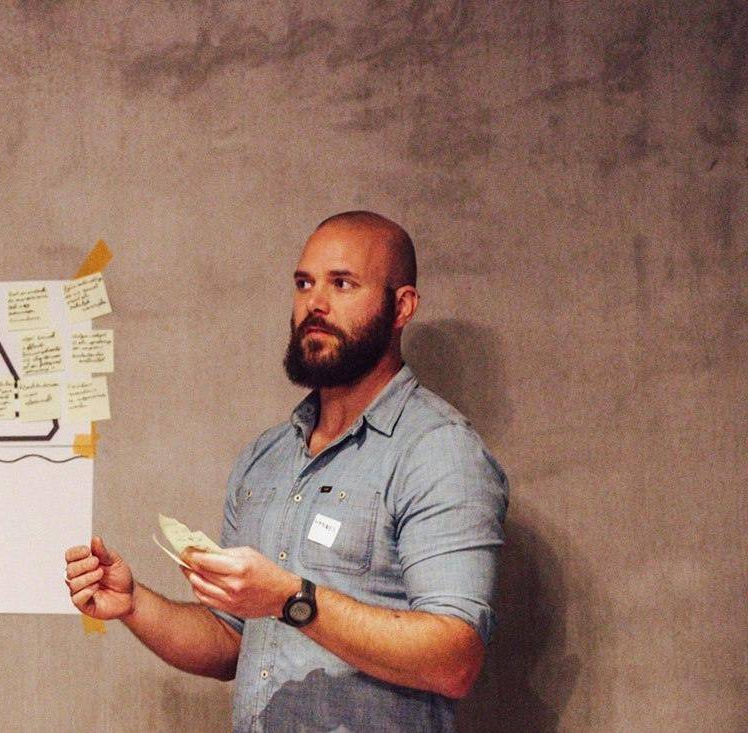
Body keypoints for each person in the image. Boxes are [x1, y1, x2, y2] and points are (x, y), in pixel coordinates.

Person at [64, 211, 508, 731]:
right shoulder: (266, 457)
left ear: (402, 306)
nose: (315, 304)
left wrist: (292, 600)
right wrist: (134, 603)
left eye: (342, 284)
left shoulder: (438, 452)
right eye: (304, 284)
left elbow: (454, 659)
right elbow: (232, 642)